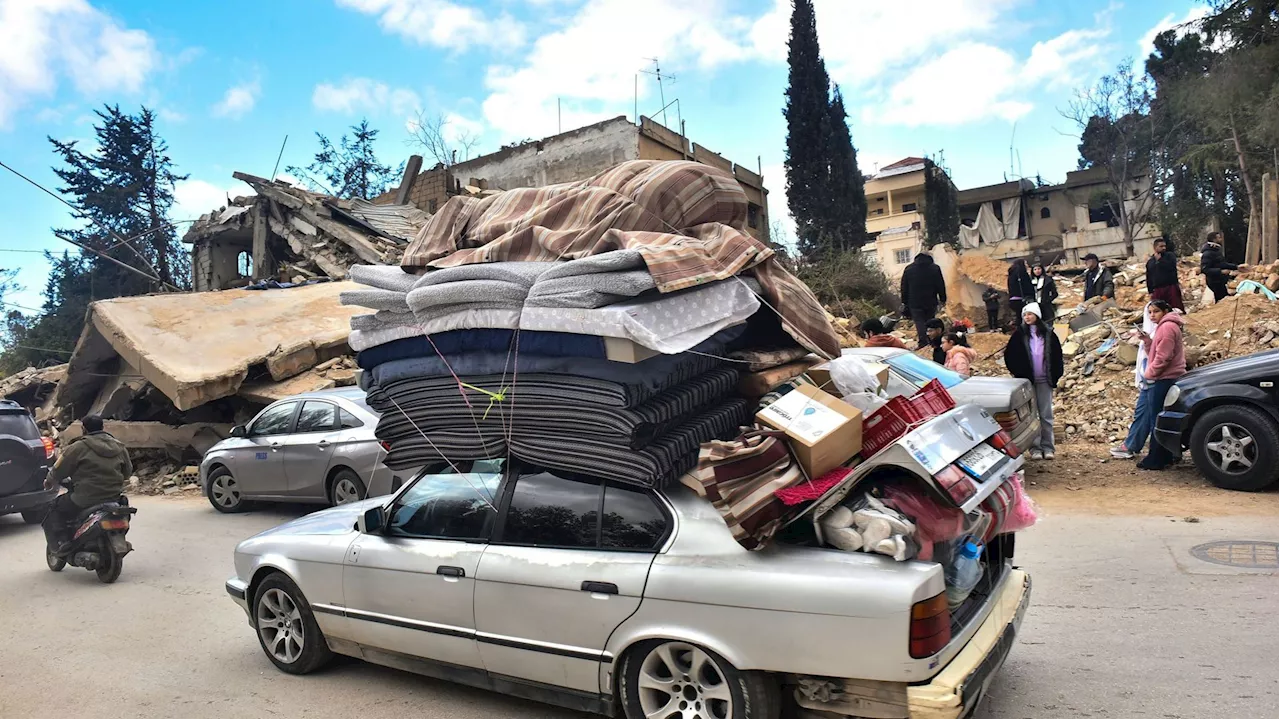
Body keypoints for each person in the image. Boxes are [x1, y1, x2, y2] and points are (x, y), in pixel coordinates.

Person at [43, 414, 132, 550]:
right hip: (114, 496)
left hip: (84, 498)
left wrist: (49, 481)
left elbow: (58, 470)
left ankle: (61, 542)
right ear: (102, 427)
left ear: (84, 429)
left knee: (54, 507)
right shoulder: (119, 447)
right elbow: (127, 472)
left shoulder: (78, 447)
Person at [1003, 302, 1064, 461]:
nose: (1027, 317)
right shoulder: (1019, 335)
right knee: (1031, 416)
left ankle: (1048, 447)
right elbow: (1010, 356)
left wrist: (1056, 375)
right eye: (1025, 315)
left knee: (1046, 415)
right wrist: (1018, 374)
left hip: (1045, 381)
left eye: (1030, 314)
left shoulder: (1049, 334)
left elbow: (1057, 357)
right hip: (1027, 383)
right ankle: (1035, 448)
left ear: (1037, 315)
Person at [1134, 300, 1187, 470]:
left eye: (1156, 311)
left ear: (1165, 311)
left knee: (1156, 418)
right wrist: (1148, 341)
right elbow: (1156, 352)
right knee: (1162, 417)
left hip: (1164, 379)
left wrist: (1149, 374)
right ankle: (1167, 456)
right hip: (1165, 377)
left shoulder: (1167, 328)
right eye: (1149, 312)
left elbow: (1163, 357)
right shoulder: (1164, 327)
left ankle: (1156, 459)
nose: (1152, 315)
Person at [900, 253, 947, 348]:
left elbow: (904, 287)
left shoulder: (909, 269)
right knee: (930, 321)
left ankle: (923, 342)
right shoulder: (935, 268)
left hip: (914, 301)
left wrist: (904, 301)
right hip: (930, 300)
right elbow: (940, 284)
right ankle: (932, 341)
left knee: (919, 322)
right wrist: (943, 298)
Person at [1200, 231, 1245, 303]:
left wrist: (1236, 267)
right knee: (1222, 301)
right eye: (1219, 238)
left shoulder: (1215, 251)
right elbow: (1205, 269)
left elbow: (1222, 264)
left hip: (1220, 280)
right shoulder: (1208, 253)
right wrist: (1220, 271)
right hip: (1214, 281)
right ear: (1214, 240)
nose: (1221, 239)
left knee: (1224, 299)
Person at [1146, 238, 1184, 311]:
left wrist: (1160, 261)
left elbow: (1171, 267)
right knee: (1158, 309)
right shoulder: (1150, 262)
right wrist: (1150, 291)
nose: (1164, 248)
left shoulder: (1170, 256)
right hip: (1157, 289)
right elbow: (1149, 277)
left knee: (1176, 308)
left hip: (1170, 287)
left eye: (1164, 246)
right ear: (1155, 247)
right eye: (1161, 246)